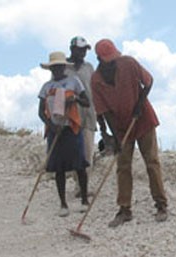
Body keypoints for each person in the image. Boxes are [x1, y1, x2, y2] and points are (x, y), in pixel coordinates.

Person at [91, 39, 168, 228]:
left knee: (151, 162)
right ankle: (124, 210)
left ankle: (161, 204)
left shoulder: (129, 63)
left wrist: (140, 104)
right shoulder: (96, 81)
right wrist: (115, 136)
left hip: (143, 120)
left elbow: (148, 82)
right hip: (121, 126)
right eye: (107, 60)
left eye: (113, 59)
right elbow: (104, 111)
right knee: (122, 167)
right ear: (99, 59)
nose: (111, 63)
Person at [38, 51, 90, 217]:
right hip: (55, 130)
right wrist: (51, 125)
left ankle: (84, 200)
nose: (57, 70)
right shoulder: (47, 87)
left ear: (64, 67)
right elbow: (41, 112)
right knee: (58, 167)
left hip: (72, 128)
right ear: (51, 69)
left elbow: (86, 102)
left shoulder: (73, 82)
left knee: (79, 165)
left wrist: (74, 99)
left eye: (60, 66)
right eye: (54, 67)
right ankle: (63, 204)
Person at [64, 36, 97, 197]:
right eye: (80, 49)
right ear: (72, 49)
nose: (83, 53)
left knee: (88, 151)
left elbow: (95, 90)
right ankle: (78, 185)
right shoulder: (63, 68)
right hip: (70, 115)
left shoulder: (89, 67)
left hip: (89, 114)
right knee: (74, 151)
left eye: (85, 50)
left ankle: (84, 186)